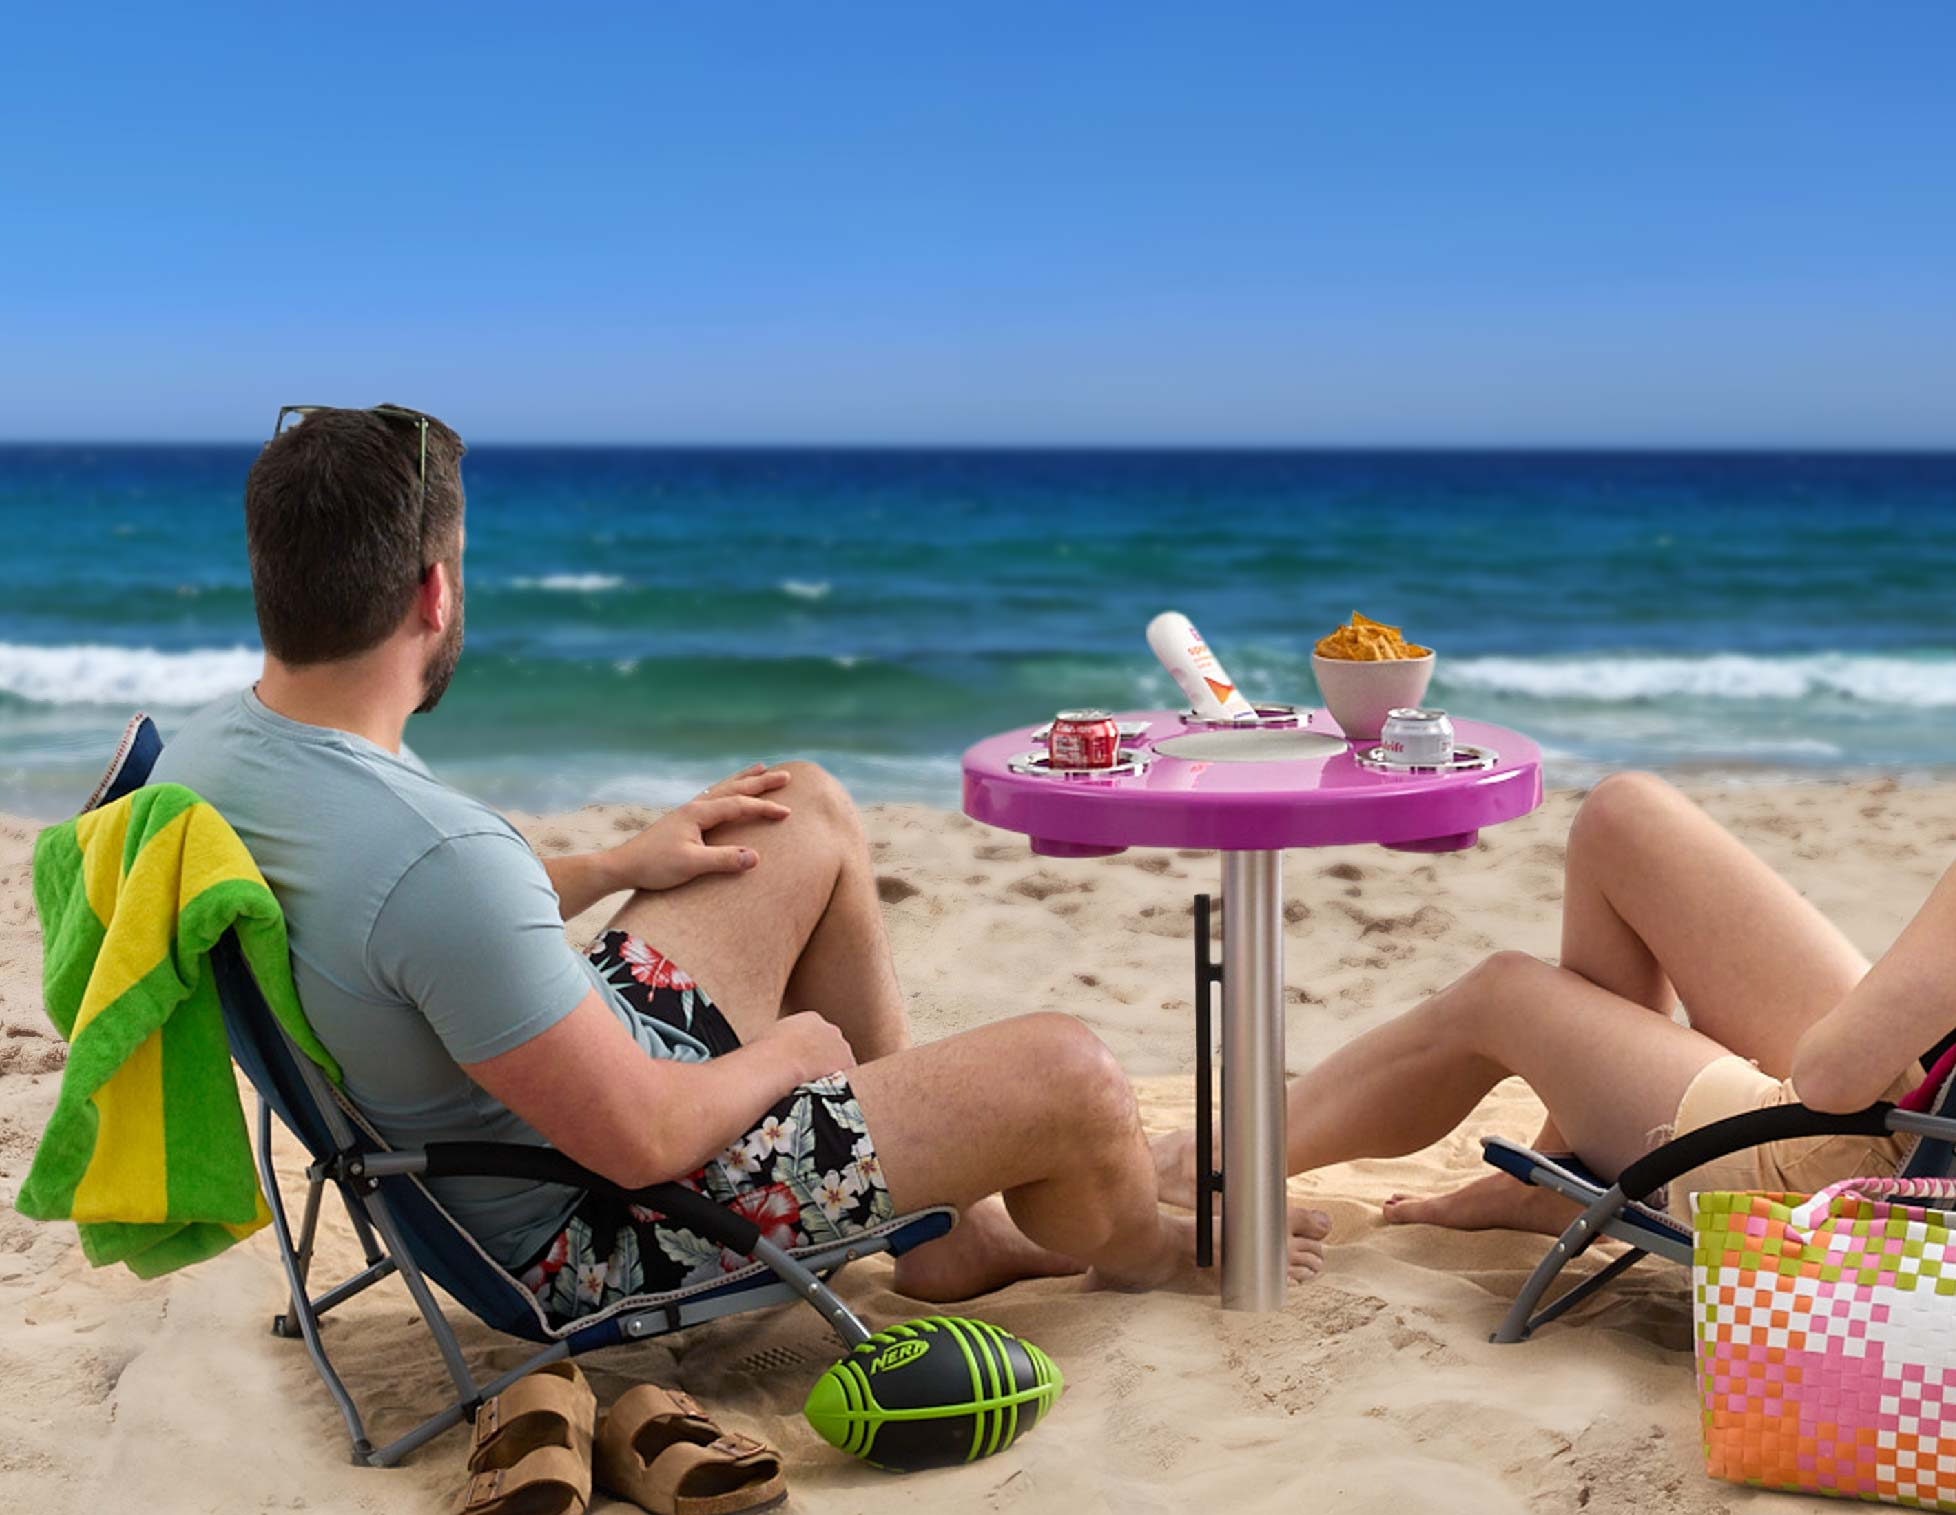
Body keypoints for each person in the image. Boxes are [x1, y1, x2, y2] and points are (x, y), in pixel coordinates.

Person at [157, 405, 1327, 1320]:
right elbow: (644, 1140)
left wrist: (624, 859)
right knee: (1069, 1073)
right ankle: (1153, 1250)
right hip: (596, 1224)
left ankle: (943, 1233)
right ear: (436, 590)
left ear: (277, 578)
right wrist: (788, 1056)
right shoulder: (437, 863)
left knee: (794, 807)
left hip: (540, 1088)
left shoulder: (208, 756)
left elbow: (412, 916)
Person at [1158, 474, 1956, 1233]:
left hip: (1859, 1179)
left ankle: (1212, 1174)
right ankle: (1579, 1163)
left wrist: (1886, 1046)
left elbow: (1837, 1079)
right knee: (1625, 817)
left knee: (1504, 994)